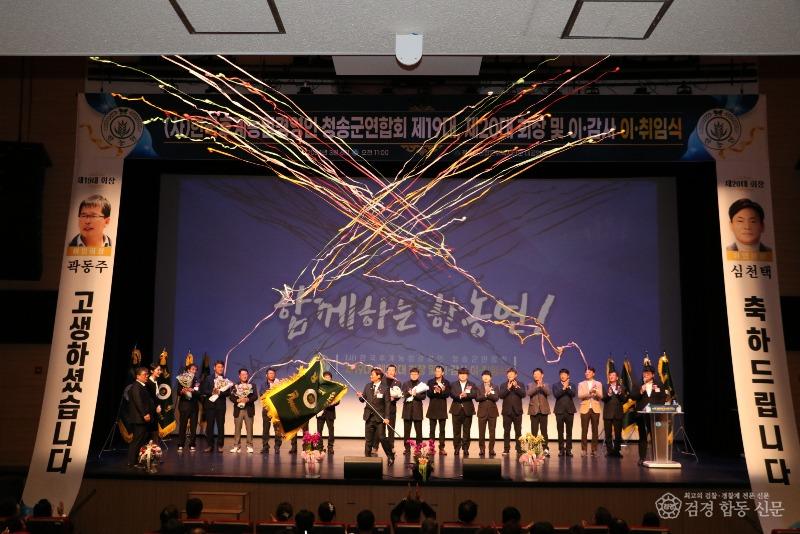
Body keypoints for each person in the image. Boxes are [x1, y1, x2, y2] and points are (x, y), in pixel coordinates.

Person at [630, 358, 665, 466]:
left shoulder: (659, 385)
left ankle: (656, 457)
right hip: (641, 415)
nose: (645, 375)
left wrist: (656, 408)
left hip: (654, 415)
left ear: (653, 375)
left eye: (648, 373)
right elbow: (633, 396)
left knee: (655, 436)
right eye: (644, 373)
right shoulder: (638, 384)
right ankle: (642, 458)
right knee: (642, 437)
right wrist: (641, 390)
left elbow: (663, 398)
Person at [357, 367, 395, 465]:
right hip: (369, 417)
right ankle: (367, 459)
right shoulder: (367, 386)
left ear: (378, 376)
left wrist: (387, 417)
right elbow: (363, 400)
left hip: (380, 418)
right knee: (368, 440)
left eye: (372, 375)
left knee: (382, 438)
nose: (370, 376)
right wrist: (360, 397)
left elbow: (387, 404)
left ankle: (390, 456)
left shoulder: (385, 388)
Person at [128, 366, 156, 467]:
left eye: (147, 374)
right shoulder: (136, 386)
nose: (147, 376)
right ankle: (132, 462)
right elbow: (138, 402)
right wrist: (144, 414)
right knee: (137, 441)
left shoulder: (142, 386)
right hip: (139, 418)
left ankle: (136, 460)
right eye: (144, 375)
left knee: (141, 440)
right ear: (138, 376)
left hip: (142, 418)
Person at [200, 360, 230, 453]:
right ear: (214, 368)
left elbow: (228, 393)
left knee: (221, 426)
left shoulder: (225, 379)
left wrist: (220, 393)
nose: (220, 369)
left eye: (222, 367)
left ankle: (220, 445)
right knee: (210, 426)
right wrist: (212, 392)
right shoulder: (208, 378)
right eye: (218, 367)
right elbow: (203, 390)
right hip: (210, 405)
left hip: (221, 406)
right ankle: (210, 445)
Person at [449, 367, 477, 456]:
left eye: (464, 374)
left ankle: (465, 448)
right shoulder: (453, 384)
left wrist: (467, 395)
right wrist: (460, 396)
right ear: (458, 375)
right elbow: (452, 394)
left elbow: (474, 394)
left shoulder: (471, 384)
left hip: (467, 410)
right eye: (461, 374)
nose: (462, 376)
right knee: (456, 431)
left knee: (467, 431)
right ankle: (457, 448)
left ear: (467, 375)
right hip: (456, 409)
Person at [229, 368, 258, 453]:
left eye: (246, 374)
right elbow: (231, 397)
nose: (244, 376)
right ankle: (236, 446)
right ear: (239, 376)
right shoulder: (235, 386)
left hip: (248, 409)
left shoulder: (252, 385)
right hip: (238, 409)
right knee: (237, 429)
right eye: (242, 374)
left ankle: (249, 446)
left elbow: (255, 396)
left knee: (249, 429)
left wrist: (247, 399)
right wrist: (237, 400)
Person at [602, 368, 628, 458]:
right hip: (608, 413)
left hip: (618, 413)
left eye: (613, 375)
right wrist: (608, 395)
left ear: (617, 377)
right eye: (610, 375)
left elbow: (624, 400)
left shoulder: (622, 387)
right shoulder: (605, 387)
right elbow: (603, 399)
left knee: (618, 434)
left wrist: (619, 393)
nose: (611, 377)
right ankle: (609, 451)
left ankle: (617, 451)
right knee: (608, 434)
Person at [578, 366, 603, 457]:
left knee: (595, 430)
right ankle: (584, 450)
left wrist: (595, 392)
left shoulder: (598, 383)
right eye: (586, 372)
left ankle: (594, 450)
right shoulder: (581, 384)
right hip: (585, 408)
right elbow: (580, 396)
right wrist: (589, 392)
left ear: (593, 373)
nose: (587, 373)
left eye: (589, 372)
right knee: (584, 430)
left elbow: (601, 396)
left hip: (595, 408)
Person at [499, 367, 525, 455]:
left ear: (515, 375)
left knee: (518, 431)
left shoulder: (520, 384)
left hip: (517, 412)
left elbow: (523, 394)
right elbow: (501, 396)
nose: (510, 375)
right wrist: (508, 388)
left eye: (512, 374)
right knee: (506, 431)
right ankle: (506, 449)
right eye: (509, 374)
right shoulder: (503, 385)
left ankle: (519, 449)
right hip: (507, 412)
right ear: (507, 375)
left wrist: (516, 387)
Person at [527, 368, 551, 458]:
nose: (536, 375)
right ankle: (533, 450)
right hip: (534, 411)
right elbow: (529, 393)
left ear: (542, 375)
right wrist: (537, 387)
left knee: (544, 431)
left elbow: (548, 393)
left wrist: (542, 386)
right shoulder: (530, 385)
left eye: (537, 374)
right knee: (534, 432)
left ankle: (545, 449)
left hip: (544, 411)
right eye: (534, 374)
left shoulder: (546, 384)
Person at [426, 365, 450, 456]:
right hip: (432, 408)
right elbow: (428, 394)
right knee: (432, 430)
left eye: (439, 371)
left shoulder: (446, 382)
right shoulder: (430, 382)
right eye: (436, 371)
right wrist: (435, 391)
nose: (437, 373)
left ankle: (442, 448)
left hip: (442, 408)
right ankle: (431, 448)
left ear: (442, 372)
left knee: (442, 430)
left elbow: (447, 394)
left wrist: (441, 392)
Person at [402, 367, 426, 454]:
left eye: (415, 374)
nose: (414, 376)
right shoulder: (406, 384)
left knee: (419, 432)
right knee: (406, 431)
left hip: (417, 411)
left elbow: (423, 397)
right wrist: (409, 393)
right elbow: (403, 394)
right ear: (410, 375)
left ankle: (418, 448)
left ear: (418, 375)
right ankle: (407, 448)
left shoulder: (422, 385)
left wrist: (415, 395)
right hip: (407, 410)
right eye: (412, 374)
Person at [553, 368, 576, 457]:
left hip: (570, 411)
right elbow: (556, 395)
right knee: (560, 432)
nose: (562, 376)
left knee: (569, 432)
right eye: (561, 374)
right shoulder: (555, 385)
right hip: (559, 411)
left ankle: (569, 450)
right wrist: (564, 388)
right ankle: (561, 449)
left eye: (564, 374)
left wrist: (567, 387)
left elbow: (573, 394)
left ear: (568, 376)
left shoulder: (572, 385)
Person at [476, 369, 499, 458]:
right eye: (484, 376)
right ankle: (482, 449)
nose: (485, 377)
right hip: (482, 412)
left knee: (492, 432)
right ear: (482, 377)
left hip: (492, 412)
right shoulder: (479, 387)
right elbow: (477, 398)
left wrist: (489, 394)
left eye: (487, 376)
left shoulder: (495, 386)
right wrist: (485, 394)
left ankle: (491, 449)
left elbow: (496, 398)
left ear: (490, 377)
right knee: (481, 432)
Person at [177, 363, 200, 453]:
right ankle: (181, 444)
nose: (194, 371)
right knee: (182, 425)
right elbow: (178, 392)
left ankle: (192, 444)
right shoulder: (182, 379)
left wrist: (193, 390)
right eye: (192, 369)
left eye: (195, 370)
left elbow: (199, 393)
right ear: (188, 370)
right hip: (184, 405)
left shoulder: (197, 380)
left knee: (193, 426)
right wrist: (182, 391)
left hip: (194, 406)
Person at [316, 371, 339, 454]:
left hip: (330, 412)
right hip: (320, 412)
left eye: (328, 377)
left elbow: (338, 400)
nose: (327, 378)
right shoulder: (319, 388)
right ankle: (319, 447)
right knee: (319, 431)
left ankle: (330, 447)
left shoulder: (334, 388)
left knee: (331, 431)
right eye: (325, 377)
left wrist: (333, 403)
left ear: (331, 378)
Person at [383, 363, 403, 453]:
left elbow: (399, 395)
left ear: (395, 372)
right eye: (389, 370)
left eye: (393, 370)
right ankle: (375, 447)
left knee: (391, 428)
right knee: (379, 429)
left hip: (392, 408)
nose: (391, 372)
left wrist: (394, 398)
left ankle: (391, 447)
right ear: (387, 371)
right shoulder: (382, 380)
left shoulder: (397, 382)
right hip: (382, 407)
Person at [262, 367, 282, 454]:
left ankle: (277, 446)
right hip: (267, 410)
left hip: (276, 410)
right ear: (266, 375)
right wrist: (272, 389)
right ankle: (265, 446)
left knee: (277, 429)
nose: (272, 375)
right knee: (265, 429)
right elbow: (262, 395)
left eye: (273, 373)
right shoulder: (263, 385)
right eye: (270, 373)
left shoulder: (279, 384)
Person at [146, 363, 164, 442]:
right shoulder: (148, 382)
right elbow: (148, 398)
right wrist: (155, 407)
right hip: (150, 410)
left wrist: (158, 405)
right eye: (158, 370)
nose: (160, 371)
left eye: (160, 370)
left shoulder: (156, 381)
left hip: (155, 410)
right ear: (152, 371)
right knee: (150, 431)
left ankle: (154, 446)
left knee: (155, 430)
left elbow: (156, 397)